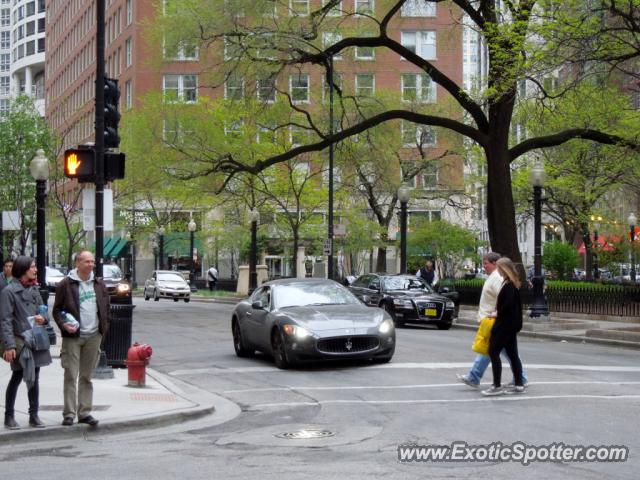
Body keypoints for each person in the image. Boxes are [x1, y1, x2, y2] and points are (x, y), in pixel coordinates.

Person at [53, 251, 110, 427]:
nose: (91, 264)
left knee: (86, 376)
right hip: (73, 337)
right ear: (78, 263)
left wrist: (103, 329)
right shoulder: (66, 284)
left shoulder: (99, 284)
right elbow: (57, 311)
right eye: (87, 261)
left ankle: (84, 412)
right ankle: (69, 414)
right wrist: (64, 325)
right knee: (70, 375)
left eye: (93, 261)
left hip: (94, 336)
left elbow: (106, 307)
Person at [456, 252, 528, 388]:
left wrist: (496, 313)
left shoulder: (499, 279)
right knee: (504, 352)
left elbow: (504, 300)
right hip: (495, 320)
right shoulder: (496, 278)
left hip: (497, 322)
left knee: (492, 350)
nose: (484, 266)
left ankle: (483, 379)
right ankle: (520, 378)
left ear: (496, 264)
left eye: (486, 263)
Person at [1, 256, 52, 429]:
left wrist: (43, 318)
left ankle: (34, 415)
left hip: (34, 339)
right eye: (32, 267)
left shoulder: (34, 289)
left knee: (34, 377)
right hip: (19, 341)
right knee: (16, 376)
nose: (35, 269)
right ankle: (9, 416)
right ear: (23, 269)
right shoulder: (8, 292)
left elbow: (44, 312)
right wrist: (9, 346)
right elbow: (5, 321)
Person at [482, 257, 525, 396]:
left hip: (504, 326)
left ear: (504, 269)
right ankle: (519, 384)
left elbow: (507, 306)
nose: (498, 271)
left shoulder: (508, 286)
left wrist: (496, 313)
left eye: (500, 268)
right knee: (513, 355)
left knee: (493, 351)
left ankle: (496, 385)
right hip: (510, 326)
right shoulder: (511, 284)